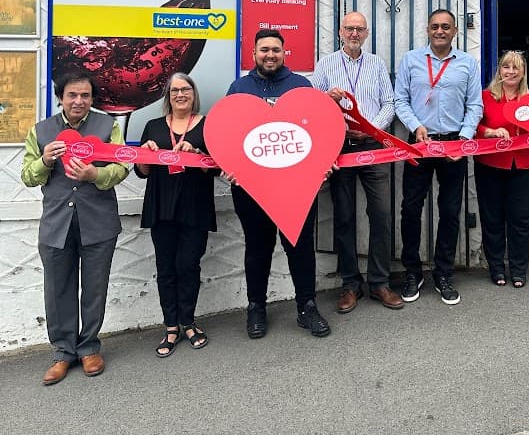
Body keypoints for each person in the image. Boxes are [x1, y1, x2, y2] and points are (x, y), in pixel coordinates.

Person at [21, 71, 129, 385]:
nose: (78, 101)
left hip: (99, 223)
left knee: (94, 289)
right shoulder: (41, 131)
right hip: (56, 224)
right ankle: (63, 353)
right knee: (58, 290)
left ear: (92, 99)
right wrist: (44, 160)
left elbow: (121, 166)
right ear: (61, 98)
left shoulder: (108, 127)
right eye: (72, 95)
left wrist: (94, 176)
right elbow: (28, 176)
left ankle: (89, 347)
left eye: (85, 95)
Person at [227, 29, 331, 338]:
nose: (270, 55)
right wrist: (230, 166)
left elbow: (317, 131)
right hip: (251, 188)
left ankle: (307, 307)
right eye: (264, 50)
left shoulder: (301, 86)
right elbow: (228, 134)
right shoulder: (239, 88)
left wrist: (321, 164)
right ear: (254, 54)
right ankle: (256, 307)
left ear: (284, 54)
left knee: (299, 248)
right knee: (258, 249)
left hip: (296, 187)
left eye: (275, 49)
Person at [311, 11, 403, 313]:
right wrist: (328, 98)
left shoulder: (376, 64)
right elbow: (312, 106)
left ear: (366, 34)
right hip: (340, 148)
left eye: (359, 29)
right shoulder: (325, 64)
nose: (354, 34)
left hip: (374, 146)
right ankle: (350, 285)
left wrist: (371, 128)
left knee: (381, 214)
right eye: (349, 28)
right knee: (345, 216)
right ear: (340, 32)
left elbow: (389, 102)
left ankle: (379, 282)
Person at [395, 9, 482, 305]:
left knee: (449, 210)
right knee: (410, 209)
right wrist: (416, 127)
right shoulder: (411, 60)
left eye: (446, 27)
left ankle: (443, 273)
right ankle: (412, 271)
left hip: (454, 145)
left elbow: (475, 104)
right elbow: (400, 100)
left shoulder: (468, 63)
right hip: (419, 143)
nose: (440, 31)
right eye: (435, 26)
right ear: (428, 30)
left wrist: (465, 138)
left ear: (455, 31)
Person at [135, 72, 218, 357]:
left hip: (195, 205)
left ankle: (188, 321)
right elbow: (141, 172)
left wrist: (195, 152)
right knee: (166, 269)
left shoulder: (208, 126)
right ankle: (171, 326)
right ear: (168, 97)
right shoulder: (153, 126)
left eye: (185, 89)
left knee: (188, 265)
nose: (180, 94)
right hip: (161, 205)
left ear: (194, 93)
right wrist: (145, 155)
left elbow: (214, 167)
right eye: (174, 91)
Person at [475, 51, 529, 288]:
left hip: (525, 165)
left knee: (521, 219)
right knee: (492, 218)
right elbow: (473, 125)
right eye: (507, 67)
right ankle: (496, 267)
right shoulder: (485, 97)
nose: (511, 72)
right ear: (500, 70)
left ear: (523, 72)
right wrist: (490, 132)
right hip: (491, 165)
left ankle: (518, 269)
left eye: (516, 68)